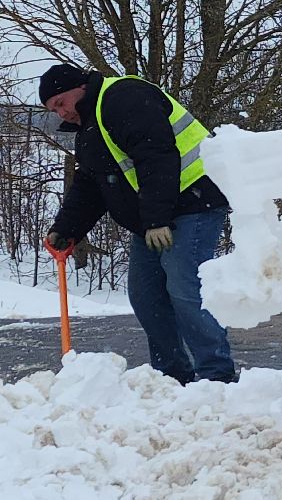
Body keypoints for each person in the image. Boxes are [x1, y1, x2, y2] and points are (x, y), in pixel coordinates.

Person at [40, 62, 236, 383]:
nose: (60, 113)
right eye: (52, 110)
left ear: (80, 87)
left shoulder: (123, 97)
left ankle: (217, 376)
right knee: (145, 296)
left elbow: (157, 155)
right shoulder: (91, 130)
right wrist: (66, 229)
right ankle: (172, 376)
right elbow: (91, 185)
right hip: (154, 217)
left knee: (184, 288)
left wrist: (157, 218)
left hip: (195, 199)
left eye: (61, 103)